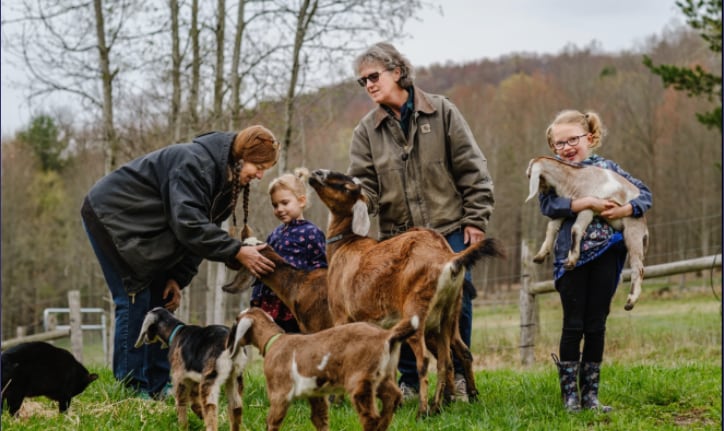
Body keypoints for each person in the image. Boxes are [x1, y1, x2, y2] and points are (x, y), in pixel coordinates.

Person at [81, 125, 280, 398]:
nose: (260, 174)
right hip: (114, 217)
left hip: (152, 232)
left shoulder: (225, 183)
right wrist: (236, 250)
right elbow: (189, 226)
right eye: (258, 166)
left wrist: (177, 278)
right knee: (134, 297)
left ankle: (159, 385)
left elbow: (199, 234)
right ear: (240, 156)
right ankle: (131, 389)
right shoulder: (194, 163)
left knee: (160, 300)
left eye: (264, 169)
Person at [347, 42, 495, 401]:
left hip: (450, 231)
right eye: (361, 81)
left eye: (373, 76)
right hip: (398, 243)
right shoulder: (366, 131)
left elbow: (472, 169)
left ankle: (458, 378)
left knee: (456, 305)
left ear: (397, 72)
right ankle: (412, 383)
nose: (368, 84)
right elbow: (362, 187)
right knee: (404, 312)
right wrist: (355, 209)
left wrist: (475, 219)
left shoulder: (442, 112)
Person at [537, 110, 652, 412]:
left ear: (589, 138)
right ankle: (569, 397)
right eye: (559, 144)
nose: (566, 147)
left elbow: (646, 196)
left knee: (596, 324)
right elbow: (548, 206)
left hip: (608, 255)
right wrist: (584, 203)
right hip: (571, 259)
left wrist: (626, 211)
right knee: (573, 325)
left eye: (572, 139)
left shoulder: (608, 168)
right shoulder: (553, 173)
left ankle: (590, 396)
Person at [250, 167, 328, 333]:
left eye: (285, 203)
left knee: (297, 340)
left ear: (301, 201)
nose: (279, 209)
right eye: (275, 205)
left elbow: (321, 269)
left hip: (296, 302)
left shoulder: (311, 232)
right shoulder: (275, 234)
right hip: (273, 299)